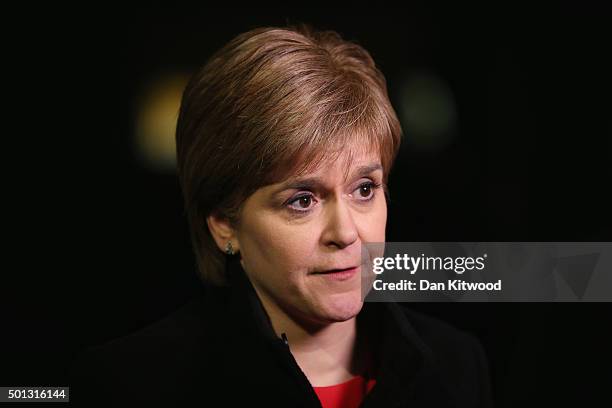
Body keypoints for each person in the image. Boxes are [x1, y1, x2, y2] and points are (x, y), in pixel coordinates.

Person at [70, 23, 493, 407]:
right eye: (302, 200)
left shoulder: (456, 365)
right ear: (223, 223)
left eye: (364, 190)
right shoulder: (129, 385)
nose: (346, 233)